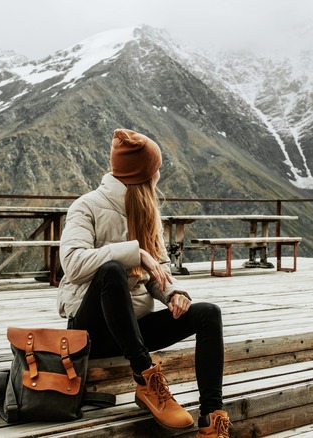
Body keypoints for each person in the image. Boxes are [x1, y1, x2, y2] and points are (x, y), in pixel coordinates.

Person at [58, 128, 231, 437]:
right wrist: (134, 253)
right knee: (110, 270)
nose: (158, 176)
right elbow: (72, 265)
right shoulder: (85, 206)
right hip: (91, 332)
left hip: (133, 327)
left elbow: (159, 268)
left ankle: (212, 419)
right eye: (155, 169)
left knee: (209, 313)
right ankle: (145, 377)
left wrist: (172, 292)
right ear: (142, 174)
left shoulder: (147, 210)